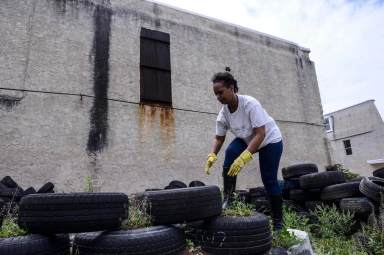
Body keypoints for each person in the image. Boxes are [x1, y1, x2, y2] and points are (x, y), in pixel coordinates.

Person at [204, 71, 284, 230]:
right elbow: (219, 138)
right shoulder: (223, 114)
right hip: (247, 137)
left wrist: (244, 157)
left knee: (269, 180)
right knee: (231, 153)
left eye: (220, 92)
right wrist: (212, 154)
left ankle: (278, 223)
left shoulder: (250, 104)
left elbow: (261, 133)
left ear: (231, 88)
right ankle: (229, 199)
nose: (218, 97)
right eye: (216, 95)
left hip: (269, 140)